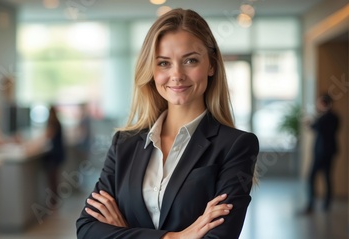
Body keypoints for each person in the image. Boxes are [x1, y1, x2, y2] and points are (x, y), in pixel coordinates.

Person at [76, 9, 259, 239]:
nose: (177, 74)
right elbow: (86, 229)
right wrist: (175, 237)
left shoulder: (236, 145)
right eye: (163, 63)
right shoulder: (124, 143)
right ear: (151, 71)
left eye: (190, 60)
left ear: (211, 65)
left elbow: (219, 236)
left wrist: (123, 233)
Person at [305, 93, 339, 213]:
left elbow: (315, 126)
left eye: (319, 102)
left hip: (322, 152)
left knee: (312, 177)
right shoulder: (333, 116)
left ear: (323, 103)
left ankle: (311, 204)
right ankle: (325, 204)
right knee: (326, 177)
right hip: (327, 152)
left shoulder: (327, 117)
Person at [43, 105, 66, 196]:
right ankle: (54, 202)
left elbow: (46, 136)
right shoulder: (57, 122)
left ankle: (53, 203)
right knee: (54, 179)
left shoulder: (53, 123)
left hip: (54, 156)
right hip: (58, 154)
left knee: (53, 180)